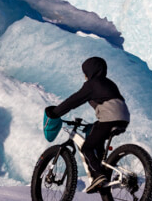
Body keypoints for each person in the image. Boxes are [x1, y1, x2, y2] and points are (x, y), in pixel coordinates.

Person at [45, 56, 130, 193]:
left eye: (85, 72)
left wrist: (55, 112)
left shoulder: (92, 84)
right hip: (123, 117)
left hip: (110, 117)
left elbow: (74, 100)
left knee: (87, 148)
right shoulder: (109, 83)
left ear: (90, 72)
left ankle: (98, 175)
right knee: (96, 135)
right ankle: (105, 172)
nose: (85, 76)